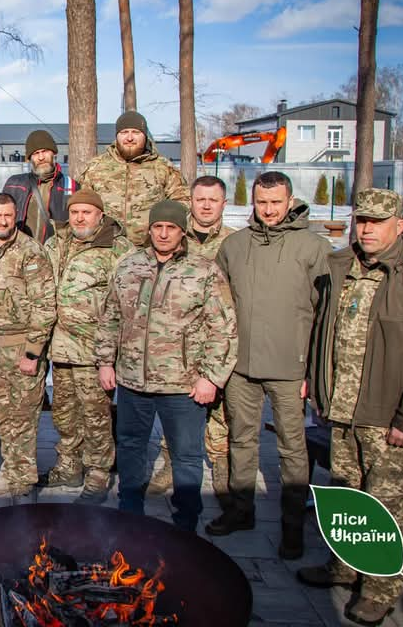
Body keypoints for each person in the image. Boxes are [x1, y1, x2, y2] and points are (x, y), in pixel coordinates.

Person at [297, 188, 403, 627]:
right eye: (362, 221)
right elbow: (323, 332)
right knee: (344, 495)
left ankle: (379, 588)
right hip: (341, 410)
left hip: (387, 418)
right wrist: (318, 389)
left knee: (386, 505)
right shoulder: (341, 268)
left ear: (399, 225)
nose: (367, 229)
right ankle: (342, 565)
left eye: (378, 222)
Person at [207, 171, 331, 561]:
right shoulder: (235, 246)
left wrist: (312, 371)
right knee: (242, 441)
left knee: (293, 450)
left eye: (276, 202)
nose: (269, 210)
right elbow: (218, 306)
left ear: (290, 200)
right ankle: (241, 512)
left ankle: (293, 526)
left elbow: (325, 314)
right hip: (241, 366)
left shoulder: (313, 247)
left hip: (290, 367)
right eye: (262, 202)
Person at [96, 201, 238, 532]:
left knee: (187, 456)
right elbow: (110, 317)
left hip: (183, 384)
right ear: (149, 230)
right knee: (130, 447)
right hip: (133, 381)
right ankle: (130, 514)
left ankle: (185, 521)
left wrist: (211, 378)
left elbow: (224, 327)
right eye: (157, 227)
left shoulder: (203, 271)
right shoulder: (128, 266)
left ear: (182, 232)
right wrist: (105, 362)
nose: (162, 234)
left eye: (170, 228)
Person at [149, 175, 236, 500]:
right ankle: (171, 467)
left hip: (214, 346)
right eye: (200, 199)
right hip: (174, 351)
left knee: (219, 421)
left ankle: (224, 481)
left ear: (223, 204)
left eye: (213, 200)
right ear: (191, 202)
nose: (206, 205)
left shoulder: (233, 243)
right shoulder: (177, 241)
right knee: (175, 416)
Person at [42, 188, 131, 503]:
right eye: (75, 211)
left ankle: (97, 475)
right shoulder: (55, 244)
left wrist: (111, 354)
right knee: (64, 414)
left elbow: (125, 303)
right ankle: (69, 467)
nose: (80, 217)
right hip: (59, 349)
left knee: (96, 417)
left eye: (87, 212)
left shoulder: (117, 250)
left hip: (94, 352)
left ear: (100, 215)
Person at [0, 193, 56, 497]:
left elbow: (45, 306)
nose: (2, 221)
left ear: (15, 217)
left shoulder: (30, 252)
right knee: (2, 415)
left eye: (7, 216)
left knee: (23, 418)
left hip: (21, 347)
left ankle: (22, 478)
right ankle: (13, 469)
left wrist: (33, 352)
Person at [77, 110, 189, 247]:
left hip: (150, 250)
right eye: (124, 132)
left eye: (136, 132)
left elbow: (182, 203)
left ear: (145, 136)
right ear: (116, 136)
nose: (129, 138)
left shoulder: (163, 168)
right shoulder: (96, 168)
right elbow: (81, 205)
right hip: (106, 248)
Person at [3, 130, 77, 244]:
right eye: (36, 153)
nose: (41, 157)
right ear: (30, 158)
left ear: (54, 153)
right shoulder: (14, 184)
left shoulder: (71, 186)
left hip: (54, 253)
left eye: (45, 151)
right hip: (21, 253)